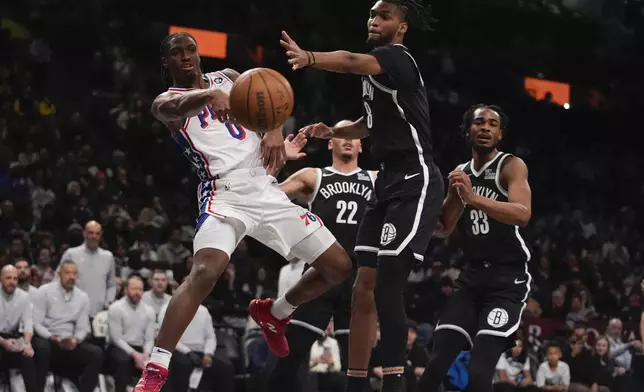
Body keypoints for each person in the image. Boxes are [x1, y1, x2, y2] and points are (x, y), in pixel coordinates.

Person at [135, 31, 354, 391]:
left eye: (191, 49)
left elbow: (269, 101)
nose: (187, 56)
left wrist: (274, 133)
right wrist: (209, 95)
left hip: (264, 187)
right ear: (167, 63)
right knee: (205, 271)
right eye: (177, 52)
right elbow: (175, 108)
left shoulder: (232, 78)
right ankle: (156, 369)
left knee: (338, 266)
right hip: (222, 194)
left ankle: (275, 313)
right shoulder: (166, 102)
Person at [280, 2, 442, 391]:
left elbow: (351, 61)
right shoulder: (380, 72)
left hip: (415, 178)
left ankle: (394, 382)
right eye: (371, 14)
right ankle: (356, 383)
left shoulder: (397, 58)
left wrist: (310, 57)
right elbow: (368, 125)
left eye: (383, 16)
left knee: (388, 283)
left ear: (401, 27)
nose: (373, 19)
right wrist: (333, 132)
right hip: (386, 182)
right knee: (362, 284)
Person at [418, 104, 532, 392]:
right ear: (468, 131)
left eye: (492, 124)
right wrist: (422, 208)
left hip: (507, 281)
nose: (485, 127)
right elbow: (445, 227)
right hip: (471, 278)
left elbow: (522, 213)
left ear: (500, 134)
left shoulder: (511, 165)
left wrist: (473, 198)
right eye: (479, 122)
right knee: (436, 365)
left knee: (479, 374)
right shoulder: (460, 172)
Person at [266, 129, 375, 392]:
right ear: (330, 143)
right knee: (290, 355)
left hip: (360, 279)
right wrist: (274, 165)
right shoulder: (313, 176)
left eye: (354, 134)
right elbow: (268, 199)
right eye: (341, 134)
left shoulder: (376, 179)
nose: (348, 139)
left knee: (358, 367)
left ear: (361, 145)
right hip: (320, 275)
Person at [32, 260, 104, 392]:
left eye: (74, 273)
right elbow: (36, 323)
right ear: (59, 274)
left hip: (71, 342)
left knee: (96, 353)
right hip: (48, 339)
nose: (71, 276)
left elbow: (82, 328)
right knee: (42, 348)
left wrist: (75, 340)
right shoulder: (44, 291)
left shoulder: (83, 297)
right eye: (67, 273)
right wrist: (53, 338)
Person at [159, 303, 235, 392]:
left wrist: (208, 354)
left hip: (201, 351)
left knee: (227, 368)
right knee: (183, 364)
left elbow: (210, 337)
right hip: (178, 351)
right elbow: (168, 336)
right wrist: (188, 352)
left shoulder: (203, 310)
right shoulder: (168, 308)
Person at [107, 275, 156, 392]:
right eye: (134, 289)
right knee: (123, 361)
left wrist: (146, 355)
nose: (137, 292)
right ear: (126, 290)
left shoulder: (149, 310)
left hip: (141, 348)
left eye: (140, 289)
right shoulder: (115, 308)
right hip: (119, 346)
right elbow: (116, 338)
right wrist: (135, 355)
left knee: (159, 364)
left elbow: (149, 338)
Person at [59, 220, 117, 319]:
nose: (94, 236)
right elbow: (59, 280)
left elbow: (111, 284)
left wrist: (109, 302)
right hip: (74, 311)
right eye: (91, 232)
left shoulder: (108, 256)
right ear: (84, 233)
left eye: (97, 233)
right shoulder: (71, 254)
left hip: (99, 314)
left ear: (101, 235)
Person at [0, 265, 38, 392]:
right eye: (8, 278)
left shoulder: (24, 296)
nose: (12, 282)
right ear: (1, 278)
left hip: (13, 336)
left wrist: (27, 343)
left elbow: (28, 322)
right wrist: (3, 342)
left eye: (15, 279)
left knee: (28, 355)